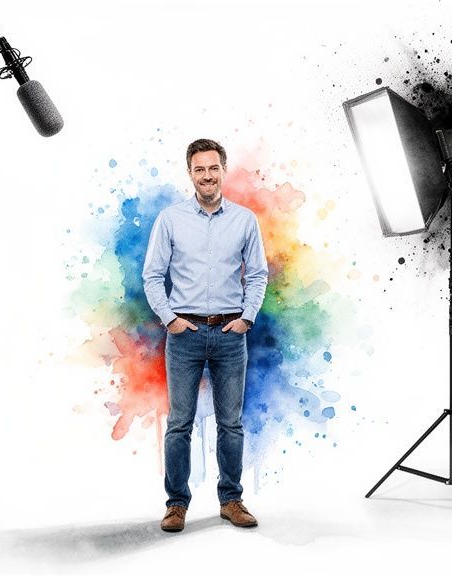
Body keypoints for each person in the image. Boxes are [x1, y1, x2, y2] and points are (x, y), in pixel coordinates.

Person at [142, 138, 269, 532]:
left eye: (213, 168)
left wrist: (246, 318)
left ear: (222, 171)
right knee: (180, 422)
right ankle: (176, 504)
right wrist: (170, 320)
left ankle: (231, 499)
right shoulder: (171, 219)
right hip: (185, 334)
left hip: (231, 334)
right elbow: (152, 276)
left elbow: (259, 274)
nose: (207, 175)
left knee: (230, 423)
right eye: (200, 169)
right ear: (190, 173)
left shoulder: (244, 220)